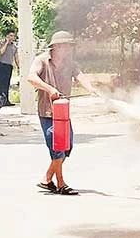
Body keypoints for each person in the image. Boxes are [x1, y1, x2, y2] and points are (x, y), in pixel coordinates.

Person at [28, 31, 96, 196]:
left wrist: (91, 89)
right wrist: (49, 88)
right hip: (47, 111)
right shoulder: (42, 60)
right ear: (56, 46)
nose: (69, 49)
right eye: (66, 45)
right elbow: (31, 77)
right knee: (57, 148)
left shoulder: (70, 63)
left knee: (66, 148)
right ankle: (61, 184)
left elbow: (81, 76)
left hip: (63, 113)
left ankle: (46, 179)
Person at [0, 30, 19, 106]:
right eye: (10, 36)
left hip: (9, 66)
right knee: (1, 83)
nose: (12, 38)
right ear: (7, 36)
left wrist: (18, 66)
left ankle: (6, 100)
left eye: (13, 36)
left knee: (7, 83)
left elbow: (16, 57)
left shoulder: (14, 47)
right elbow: (1, 52)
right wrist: (6, 43)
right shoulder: (2, 43)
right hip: (2, 65)